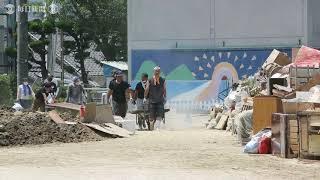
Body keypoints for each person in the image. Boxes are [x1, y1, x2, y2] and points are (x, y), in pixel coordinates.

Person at [144, 66, 167, 131]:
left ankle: (157, 127)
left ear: (160, 72)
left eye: (158, 71)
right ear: (153, 72)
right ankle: (151, 127)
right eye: (156, 71)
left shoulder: (163, 80)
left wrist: (165, 97)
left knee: (160, 115)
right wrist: (145, 98)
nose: (157, 72)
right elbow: (147, 89)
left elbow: (164, 89)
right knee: (151, 116)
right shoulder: (150, 80)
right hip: (152, 101)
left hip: (160, 100)